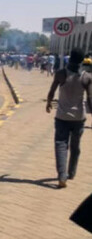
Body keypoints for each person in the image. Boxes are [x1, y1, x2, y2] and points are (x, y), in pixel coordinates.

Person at [46, 48, 92, 188]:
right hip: (79, 117)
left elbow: (52, 91)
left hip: (61, 117)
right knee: (75, 146)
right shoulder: (87, 77)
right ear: (82, 60)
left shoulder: (61, 74)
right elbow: (90, 98)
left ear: (70, 58)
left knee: (60, 145)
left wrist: (48, 103)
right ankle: (71, 173)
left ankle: (62, 176)